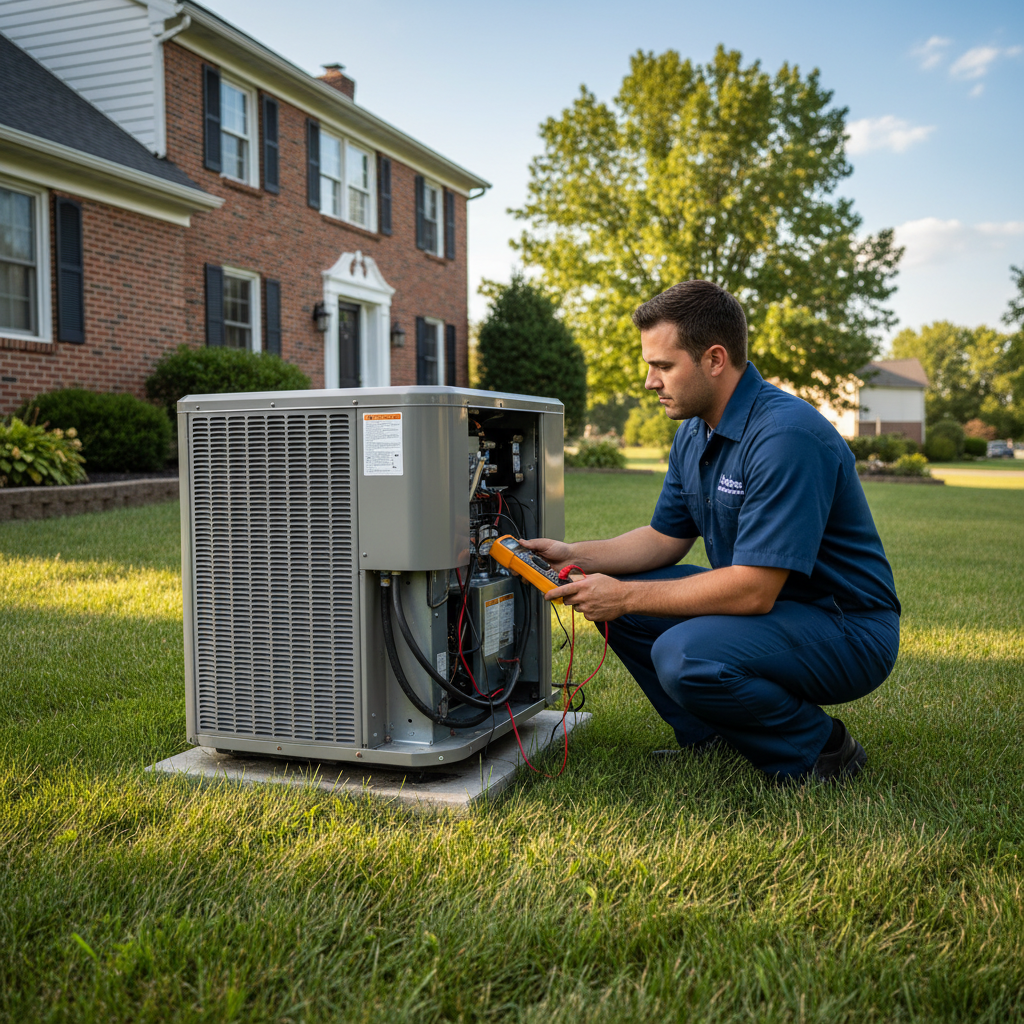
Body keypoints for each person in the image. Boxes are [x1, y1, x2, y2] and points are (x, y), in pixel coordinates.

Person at [523, 280, 900, 783]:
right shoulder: (694, 432)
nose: (650, 382)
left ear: (715, 359)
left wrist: (625, 596)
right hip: (778, 607)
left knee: (683, 652)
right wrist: (573, 554)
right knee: (633, 606)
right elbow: (663, 539)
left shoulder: (785, 436)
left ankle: (820, 752)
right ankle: (712, 735)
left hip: (845, 627)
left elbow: (753, 591)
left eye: (663, 366)